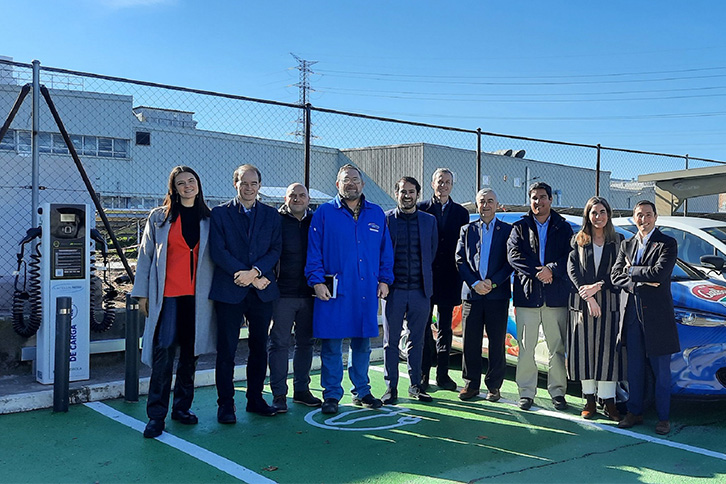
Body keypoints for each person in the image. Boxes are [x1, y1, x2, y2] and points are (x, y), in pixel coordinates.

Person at [132, 166, 216, 439]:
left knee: (191, 354)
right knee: (164, 351)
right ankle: (156, 416)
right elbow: (145, 258)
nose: (187, 186)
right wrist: (142, 293)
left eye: (192, 181)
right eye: (181, 183)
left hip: (198, 297)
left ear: (198, 184)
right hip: (167, 296)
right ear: (174, 188)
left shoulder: (209, 219)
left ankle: (182, 408)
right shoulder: (159, 218)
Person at [305, 164, 394, 415]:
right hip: (333, 291)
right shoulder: (323, 213)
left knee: (362, 343)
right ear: (337, 185)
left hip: (365, 290)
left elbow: (385, 251)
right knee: (332, 345)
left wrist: (385, 279)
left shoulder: (377, 214)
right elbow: (314, 251)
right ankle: (332, 394)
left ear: (362, 184)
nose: (351, 184)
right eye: (346, 180)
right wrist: (316, 280)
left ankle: (362, 391)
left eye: (355, 179)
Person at [209, 164, 282, 422]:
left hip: (261, 291)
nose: (249, 188)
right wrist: (245, 274)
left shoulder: (272, 216)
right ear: (235, 184)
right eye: (244, 183)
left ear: (259, 186)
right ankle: (226, 406)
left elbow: (275, 250)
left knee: (259, 347)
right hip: (230, 290)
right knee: (226, 350)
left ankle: (255, 399)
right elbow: (218, 251)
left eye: (253, 183)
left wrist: (255, 273)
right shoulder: (219, 214)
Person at [611, 200, 679, 435]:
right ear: (634, 218)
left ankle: (663, 418)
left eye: (648, 215)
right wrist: (641, 278)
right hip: (631, 316)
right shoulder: (627, 245)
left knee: (661, 372)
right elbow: (614, 276)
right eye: (640, 215)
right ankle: (634, 412)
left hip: (658, 318)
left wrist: (631, 271)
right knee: (635, 370)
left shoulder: (667, 243)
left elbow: (659, 273)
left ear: (655, 217)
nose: (644, 219)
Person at [507, 181, 574, 411]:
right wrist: (539, 272)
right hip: (528, 296)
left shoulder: (563, 227)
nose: (538, 202)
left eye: (542, 197)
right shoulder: (519, 227)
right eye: (534, 198)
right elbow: (514, 256)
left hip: (556, 297)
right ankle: (526, 393)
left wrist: (552, 270)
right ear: (530, 200)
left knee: (557, 347)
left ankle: (558, 392)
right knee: (526, 348)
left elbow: (570, 258)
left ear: (551, 199)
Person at [567, 196, 625, 421]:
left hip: (610, 304)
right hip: (583, 306)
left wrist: (598, 287)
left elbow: (620, 272)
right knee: (585, 352)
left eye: (602, 212)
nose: (598, 217)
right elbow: (572, 269)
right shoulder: (578, 240)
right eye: (594, 212)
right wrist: (586, 294)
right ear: (587, 215)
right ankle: (589, 401)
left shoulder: (618, 241)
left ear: (608, 214)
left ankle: (609, 404)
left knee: (608, 355)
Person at [381, 177, 438, 405]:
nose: (407, 195)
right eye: (403, 191)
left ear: (417, 194)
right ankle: (390, 387)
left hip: (420, 291)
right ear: (396, 194)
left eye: (411, 191)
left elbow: (431, 252)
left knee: (417, 340)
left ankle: (416, 385)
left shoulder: (429, 221)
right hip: (393, 291)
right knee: (390, 341)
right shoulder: (385, 220)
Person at [268, 183, 322, 412]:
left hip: (310, 294)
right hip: (282, 294)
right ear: (285, 198)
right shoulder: (275, 222)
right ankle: (279, 394)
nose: (298, 199)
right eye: (293, 195)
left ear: (308, 199)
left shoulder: (317, 222)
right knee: (279, 344)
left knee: (305, 343)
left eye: (302, 195)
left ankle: (302, 389)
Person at [456, 189, 513, 402]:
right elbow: (460, 259)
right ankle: (471, 384)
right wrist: (475, 283)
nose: (486, 205)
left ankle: (494, 386)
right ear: (477, 205)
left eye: (490, 201)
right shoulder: (466, 230)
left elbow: (510, 262)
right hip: (472, 295)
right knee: (470, 341)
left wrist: (493, 282)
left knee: (497, 342)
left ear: (497, 205)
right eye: (482, 201)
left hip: (496, 296)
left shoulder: (508, 230)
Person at [418, 168, 470, 391]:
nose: (444, 185)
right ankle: (423, 373)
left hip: (450, 278)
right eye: (440, 181)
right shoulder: (421, 208)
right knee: (423, 326)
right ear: (432, 183)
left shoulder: (461, 213)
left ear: (452, 185)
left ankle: (443, 374)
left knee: (446, 328)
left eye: (448, 182)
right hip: (425, 277)